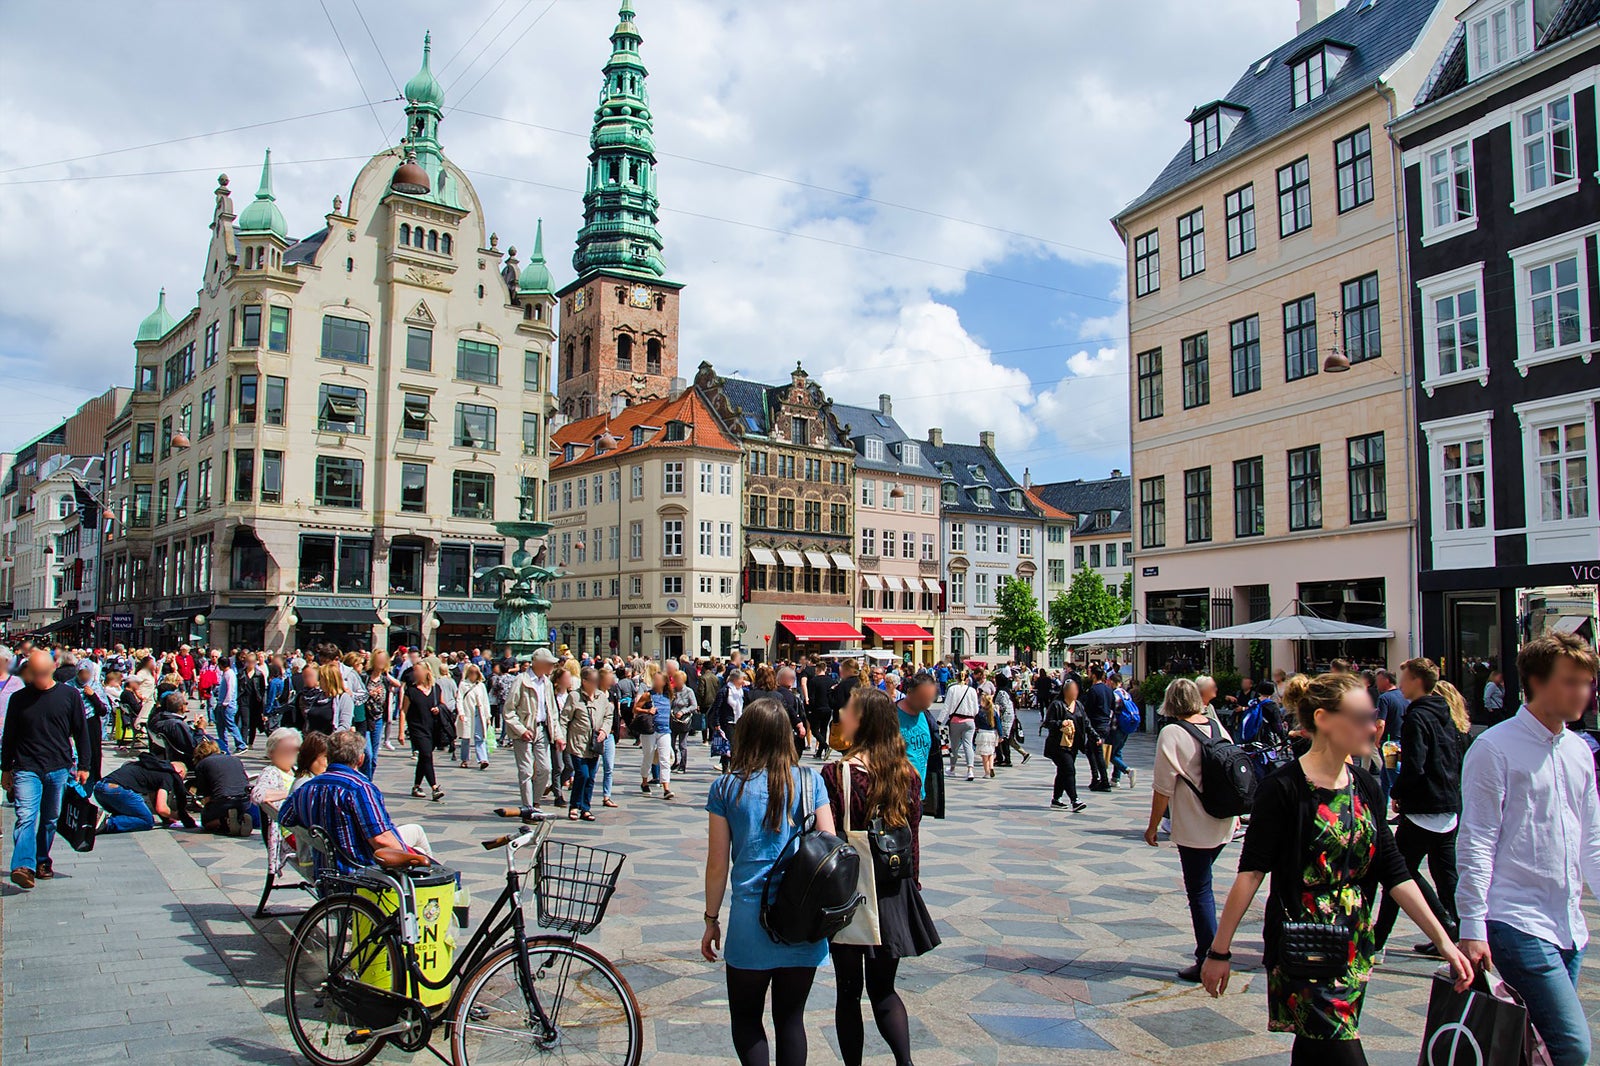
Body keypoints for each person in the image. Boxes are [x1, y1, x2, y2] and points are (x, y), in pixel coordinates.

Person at [1202, 671, 1472, 1065]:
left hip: (1352, 943)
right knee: (1340, 1049)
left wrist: (1445, 941)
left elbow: (1395, 870)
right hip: (1304, 944)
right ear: (1325, 719)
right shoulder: (1283, 788)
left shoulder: (1365, 784)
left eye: (1373, 714)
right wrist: (1219, 951)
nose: (1374, 725)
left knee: (1315, 1050)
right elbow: (1252, 872)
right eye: (1362, 715)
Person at [1457, 633, 1600, 1066]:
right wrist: (1472, 925)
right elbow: (1477, 839)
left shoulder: (1578, 750)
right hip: (1515, 919)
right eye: (1571, 681)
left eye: (1587, 681)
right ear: (1536, 682)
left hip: (1568, 924)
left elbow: (1590, 838)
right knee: (1571, 1047)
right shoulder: (1495, 747)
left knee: (1530, 1044)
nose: (1584, 692)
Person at [701, 698, 837, 1066]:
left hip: (749, 920)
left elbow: (717, 864)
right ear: (787, 736)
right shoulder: (810, 781)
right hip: (801, 918)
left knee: (746, 1020)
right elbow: (831, 844)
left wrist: (711, 919)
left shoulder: (727, 787)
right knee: (791, 1021)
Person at [821, 686, 940, 1066]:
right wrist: (913, 887)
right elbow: (913, 839)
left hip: (851, 893)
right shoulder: (906, 773)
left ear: (863, 721)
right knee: (884, 989)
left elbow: (827, 840)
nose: (842, 716)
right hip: (893, 892)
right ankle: (904, 1062)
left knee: (848, 991)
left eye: (849, 711)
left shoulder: (837, 773)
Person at [1143, 678, 1239, 981]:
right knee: (1203, 883)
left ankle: (1209, 957)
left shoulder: (1171, 732)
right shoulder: (1215, 725)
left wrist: (1153, 826)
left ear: (1170, 702)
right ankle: (1212, 952)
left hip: (1196, 823)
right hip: (1225, 819)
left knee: (1200, 890)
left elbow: (1162, 788)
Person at [1372, 659, 1465, 958]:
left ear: (1416, 681)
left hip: (1424, 806)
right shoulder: (1445, 715)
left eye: (1405, 679)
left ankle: (1442, 927)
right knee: (1444, 874)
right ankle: (1453, 934)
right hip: (1447, 804)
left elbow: (1415, 765)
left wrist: (1398, 792)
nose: (1401, 685)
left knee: (1400, 873)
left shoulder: (1417, 718)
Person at [280, 728, 433, 874]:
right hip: (359, 871)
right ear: (360, 759)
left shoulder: (307, 787)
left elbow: (285, 817)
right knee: (427, 863)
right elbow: (381, 839)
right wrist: (409, 856)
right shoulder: (359, 788)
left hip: (325, 871)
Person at [2, 651, 92, 887]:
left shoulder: (69, 695)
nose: (38, 678)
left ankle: (42, 860)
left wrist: (84, 765)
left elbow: (81, 732)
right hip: (26, 767)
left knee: (50, 818)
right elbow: (9, 736)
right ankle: (23, 865)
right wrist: (5, 769)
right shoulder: (19, 699)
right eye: (34, 673)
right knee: (25, 816)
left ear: (53, 668)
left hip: (58, 767)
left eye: (42, 673)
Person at [506, 648, 563, 819]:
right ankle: (528, 808)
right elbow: (508, 710)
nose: (553, 666)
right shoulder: (521, 681)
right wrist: (521, 730)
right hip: (524, 731)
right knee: (526, 771)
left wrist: (558, 735)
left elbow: (552, 712)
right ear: (539, 664)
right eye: (550, 663)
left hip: (542, 729)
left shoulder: (546, 682)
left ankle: (536, 802)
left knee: (546, 769)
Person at [95, 750, 195, 833]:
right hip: (117, 790)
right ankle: (106, 823)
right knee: (146, 820)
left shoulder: (153, 766)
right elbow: (161, 808)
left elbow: (153, 798)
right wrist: (178, 815)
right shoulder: (168, 775)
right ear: (181, 772)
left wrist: (166, 819)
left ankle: (99, 818)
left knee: (133, 815)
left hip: (100, 788)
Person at [249, 727, 302, 874]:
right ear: (272, 752)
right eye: (285, 749)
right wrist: (291, 794)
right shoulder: (271, 772)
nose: (291, 753)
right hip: (291, 835)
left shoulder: (296, 770)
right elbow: (258, 795)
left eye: (294, 749)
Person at [894, 673, 945, 818]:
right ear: (909, 692)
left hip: (918, 794)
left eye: (930, 699)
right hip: (896, 794)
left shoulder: (927, 717)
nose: (927, 703)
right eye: (922, 698)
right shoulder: (890, 715)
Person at [562, 666, 608, 821]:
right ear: (584, 681)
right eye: (593, 681)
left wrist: (604, 731)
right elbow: (564, 719)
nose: (596, 683)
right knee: (582, 774)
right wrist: (561, 738)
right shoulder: (574, 697)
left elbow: (608, 716)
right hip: (578, 744)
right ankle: (574, 805)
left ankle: (585, 808)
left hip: (595, 744)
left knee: (591, 777)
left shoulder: (601, 697)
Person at [398, 662, 445, 802]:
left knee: (424, 758)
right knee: (426, 754)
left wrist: (438, 708)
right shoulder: (411, 690)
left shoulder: (436, 689)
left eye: (417, 671)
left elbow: (442, 705)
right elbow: (403, 711)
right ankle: (434, 787)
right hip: (416, 728)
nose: (415, 674)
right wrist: (401, 732)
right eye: (414, 671)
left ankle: (416, 786)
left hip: (432, 728)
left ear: (426, 671)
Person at [1043, 682, 1088, 812]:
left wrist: (1094, 736)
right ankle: (1075, 800)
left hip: (1073, 745)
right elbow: (1048, 723)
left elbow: (1086, 722)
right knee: (1069, 770)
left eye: (1076, 690)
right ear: (1066, 691)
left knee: (1063, 772)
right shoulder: (1057, 705)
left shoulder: (1078, 705)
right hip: (1058, 746)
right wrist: (1061, 723)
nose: (1075, 692)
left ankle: (1056, 799)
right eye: (1073, 690)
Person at [639, 664, 676, 801]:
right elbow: (635, 709)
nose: (656, 682)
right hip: (650, 730)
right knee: (648, 756)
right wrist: (647, 711)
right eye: (655, 679)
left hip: (665, 730)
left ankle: (666, 787)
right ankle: (644, 781)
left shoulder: (668, 695)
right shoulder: (648, 695)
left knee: (665, 759)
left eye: (659, 680)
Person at [1081, 665, 1115, 791]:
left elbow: (1088, 709)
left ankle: (1104, 781)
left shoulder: (1093, 690)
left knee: (1098, 753)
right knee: (1090, 750)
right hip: (1105, 724)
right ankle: (1095, 778)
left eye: (1090, 673)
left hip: (1095, 725)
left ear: (1094, 675)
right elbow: (1112, 706)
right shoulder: (1108, 690)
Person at [942, 669, 979, 782]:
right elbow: (976, 709)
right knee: (968, 745)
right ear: (967, 679)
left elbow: (946, 707)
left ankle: (952, 768)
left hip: (956, 721)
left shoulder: (952, 689)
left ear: (956, 678)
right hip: (969, 721)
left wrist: (940, 721)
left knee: (954, 746)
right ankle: (970, 770)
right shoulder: (972, 690)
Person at [711, 669, 749, 774]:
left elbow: (748, 699)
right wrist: (716, 723)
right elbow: (717, 708)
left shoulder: (741, 691)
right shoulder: (725, 691)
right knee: (728, 746)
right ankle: (726, 767)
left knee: (736, 746)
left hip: (739, 721)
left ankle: (733, 767)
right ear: (735, 679)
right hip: (727, 722)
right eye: (742, 679)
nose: (743, 681)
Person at [456, 663, 492, 770]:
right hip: (467, 712)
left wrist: (487, 716)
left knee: (479, 736)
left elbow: (485, 701)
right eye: (471, 672)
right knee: (466, 737)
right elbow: (459, 699)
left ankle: (483, 759)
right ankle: (464, 759)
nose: (473, 675)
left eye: (475, 673)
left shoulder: (481, 686)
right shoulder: (463, 684)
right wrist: (461, 712)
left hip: (479, 713)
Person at [669, 668, 699, 774]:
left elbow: (694, 705)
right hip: (673, 720)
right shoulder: (673, 691)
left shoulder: (688, 691)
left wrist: (683, 711)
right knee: (671, 743)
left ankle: (683, 765)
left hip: (683, 721)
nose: (675, 682)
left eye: (676, 680)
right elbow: (670, 704)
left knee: (682, 744)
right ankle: (674, 761)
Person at [973, 692, 1000, 778]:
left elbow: (976, 723)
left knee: (984, 755)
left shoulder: (980, 713)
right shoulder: (994, 712)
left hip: (983, 734)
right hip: (992, 734)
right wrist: (1001, 735)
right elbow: (998, 724)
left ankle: (987, 772)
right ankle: (991, 767)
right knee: (991, 752)